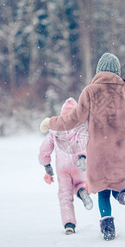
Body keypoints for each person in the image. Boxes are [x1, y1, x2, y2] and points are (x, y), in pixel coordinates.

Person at [40, 53, 125, 241]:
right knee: (120, 186)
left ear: (98, 71)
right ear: (117, 72)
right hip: (120, 151)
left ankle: (107, 225)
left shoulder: (89, 91)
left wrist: (51, 122)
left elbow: (72, 119)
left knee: (103, 190)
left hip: (97, 152)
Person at [39, 97, 93, 235]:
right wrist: (82, 156)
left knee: (65, 195)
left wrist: (47, 166)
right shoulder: (79, 127)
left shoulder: (54, 129)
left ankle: (69, 225)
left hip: (62, 167)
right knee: (80, 183)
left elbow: (45, 148)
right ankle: (81, 191)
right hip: (77, 163)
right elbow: (84, 141)